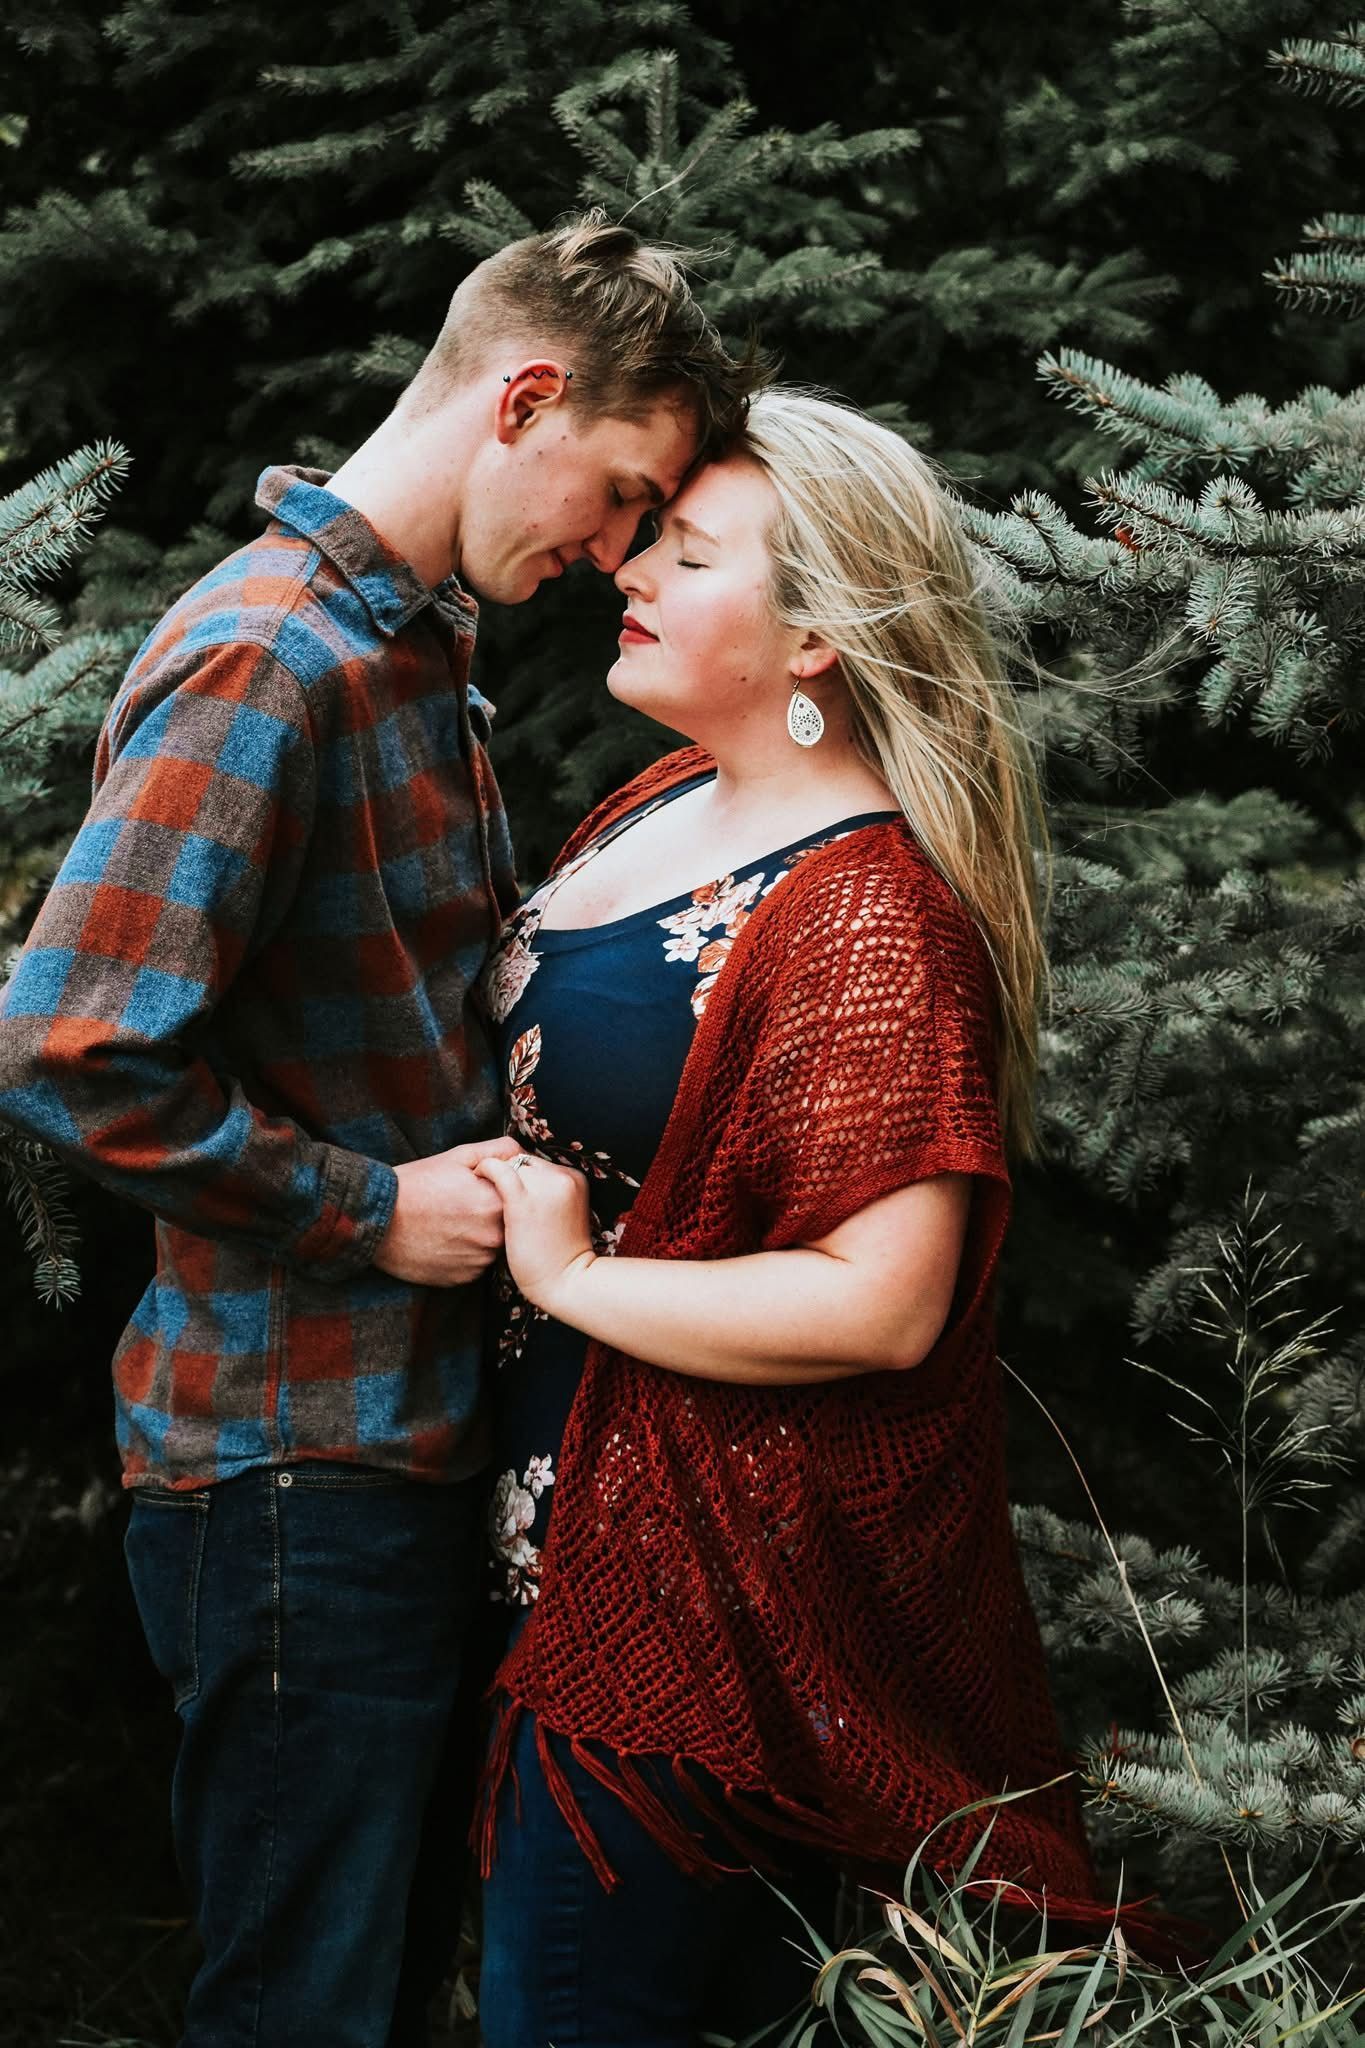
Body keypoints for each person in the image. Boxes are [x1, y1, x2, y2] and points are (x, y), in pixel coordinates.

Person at [0, 213, 761, 2047]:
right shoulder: (277, 658)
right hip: (287, 1464)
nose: (606, 554)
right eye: (616, 492)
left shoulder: (414, 654)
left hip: (382, 1450)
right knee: (304, 2013)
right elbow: (68, 1042)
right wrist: (364, 1210)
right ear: (522, 397)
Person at [469, 387, 1187, 2047]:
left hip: (697, 1612)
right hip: (545, 1556)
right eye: (648, 537)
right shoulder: (652, 810)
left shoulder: (868, 916)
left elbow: (883, 1303)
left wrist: (570, 1275)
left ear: (812, 642)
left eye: (691, 553)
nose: (630, 569)